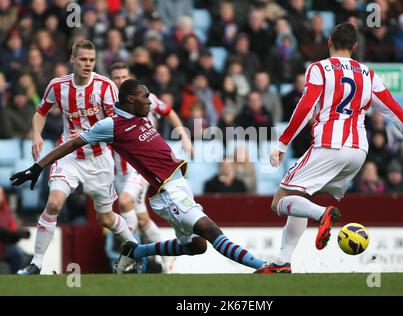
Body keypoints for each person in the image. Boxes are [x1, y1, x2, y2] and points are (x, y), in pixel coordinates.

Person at [11, 79, 267, 273]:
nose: (149, 102)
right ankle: (264, 266)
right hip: (168, 193)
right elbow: (72, 143)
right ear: (131, 99)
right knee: (210, 230)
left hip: (180, 183)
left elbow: (161, 110)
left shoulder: (139, 112)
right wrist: (38, 166)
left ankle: (137, 249)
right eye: (145, 97)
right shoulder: (110, 125)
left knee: (197, 246)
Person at [255, 23, 403, 273]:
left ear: (329, 41)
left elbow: (305, 107)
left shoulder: (319, 69)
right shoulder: (369, 74)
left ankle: (322, 215)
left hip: (329, 145)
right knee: (301, 195)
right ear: (355, 47)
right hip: (358, 152)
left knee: (280, 200)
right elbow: (396, 113)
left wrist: (282, 144)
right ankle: (283, 260)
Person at [16, 40, 137, 275]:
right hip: (68, 156)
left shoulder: (106, 86)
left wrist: (93, 136)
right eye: (83, 59)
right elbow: (40, 112)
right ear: (72, 59)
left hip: (100, 159)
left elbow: (116, 124)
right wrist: (36, 135)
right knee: (53, 203)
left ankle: (134, 246)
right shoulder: (57, 86)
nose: (88, 64)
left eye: (91, 60)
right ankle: (36, 262)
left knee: (106, 219)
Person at [109, 63, 192, 247]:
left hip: (142, 166)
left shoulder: (145, 98)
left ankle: (130, 252)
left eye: (123, 76)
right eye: (116, 77)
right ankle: (165, 260)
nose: (120, 81)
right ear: (111, 79)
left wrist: (184, 136)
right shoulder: (107, 103)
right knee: (142, 219)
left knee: (124, 203)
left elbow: (168, 111)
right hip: (119, 169)